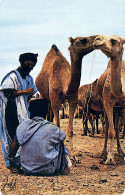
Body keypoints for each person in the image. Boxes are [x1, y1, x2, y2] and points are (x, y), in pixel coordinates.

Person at [0, 52, 38, 170]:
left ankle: (19, 162)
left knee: (21, 136)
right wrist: (25, 92)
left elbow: (34, 93)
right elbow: (8, 93)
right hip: (11, 111)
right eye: (28, 64)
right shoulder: (13, 76)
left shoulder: (29, 78)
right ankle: (12, 163)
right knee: (15, 137)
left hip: (24, 112)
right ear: (22, 63)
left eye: (32, 65)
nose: (30, 67)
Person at [16, 98, 72, 176]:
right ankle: (64, 166)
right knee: (59, 143)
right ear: (46, 112)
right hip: (48, 170)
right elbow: (63, 136)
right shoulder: (52, 128)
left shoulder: (21, 127)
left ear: (30, 111)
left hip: (26, 169)